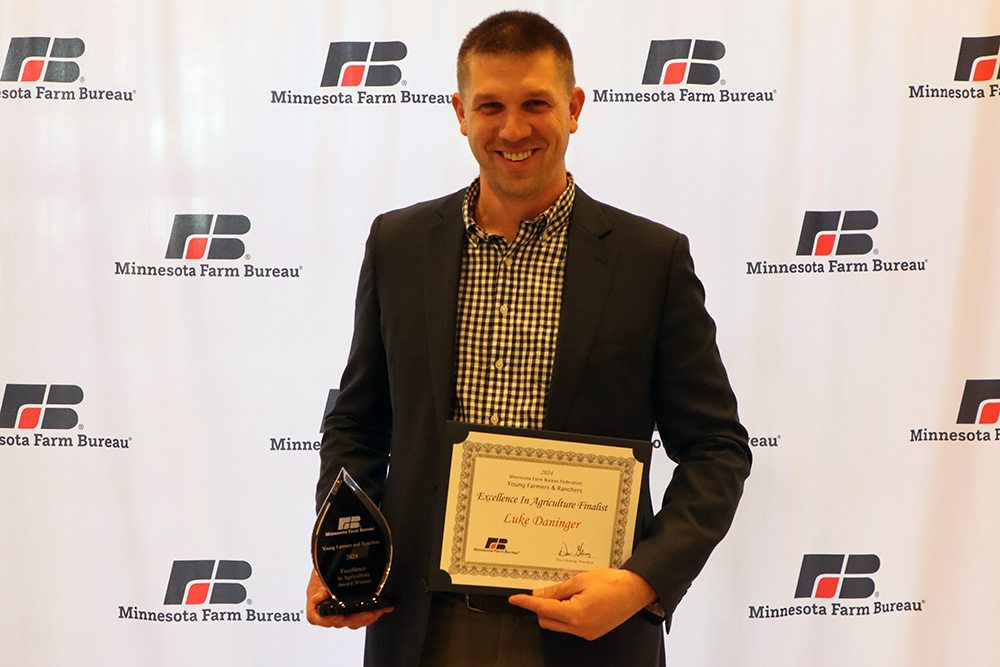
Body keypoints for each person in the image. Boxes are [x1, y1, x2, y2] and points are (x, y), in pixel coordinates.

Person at [306, 10, 750, 667]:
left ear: (573, 108)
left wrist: (641, 582)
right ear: (460, 112)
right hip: (426, 631)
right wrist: (342, 553)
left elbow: (716, 449)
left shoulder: (650, 260)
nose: (513, 129)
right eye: (491, 105)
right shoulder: (398, 245)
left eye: (536, 103)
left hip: (589, 635)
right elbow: (358, 421)